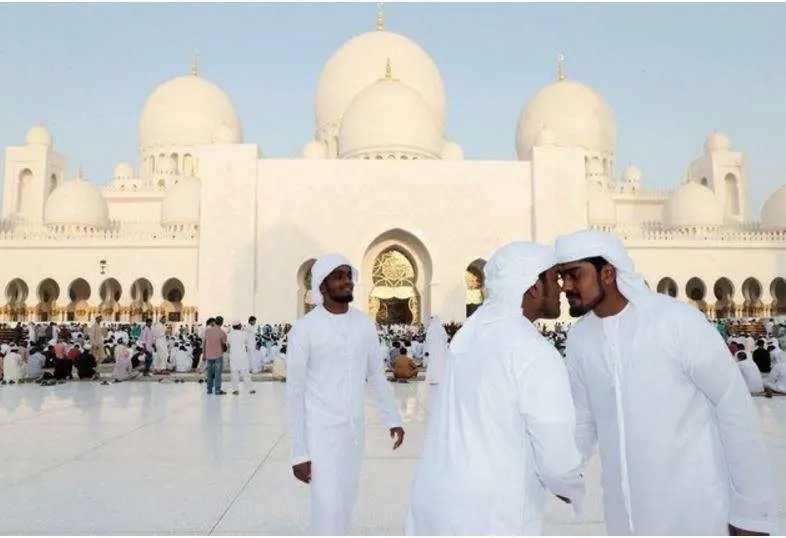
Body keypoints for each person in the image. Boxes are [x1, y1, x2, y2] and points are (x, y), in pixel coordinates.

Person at [555, 228, 777, 535]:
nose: (566, 286)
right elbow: (583, 420)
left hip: (694, 513)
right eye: (561, 277)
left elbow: (733, 408)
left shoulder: (674, 321)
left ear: (607, 272)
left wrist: (752, 513)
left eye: (574, 274)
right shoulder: (581, 339)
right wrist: (563, 471)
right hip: (625, 518)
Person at [406, 242, 584, 536]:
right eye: (555, 278)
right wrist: (576, 490)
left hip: (437, 503)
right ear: (534, 287)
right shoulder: (532, 350)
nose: (562, 287)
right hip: (490, 515)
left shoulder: (469, 334)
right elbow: (556, 461)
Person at [286, 253, 405, 535]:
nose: (346, 281)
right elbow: (294, 392)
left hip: (353, 433)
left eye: (348, 275)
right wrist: (299, 452)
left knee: (345, 503)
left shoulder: (363, 324)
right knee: (326, 506)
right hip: (320, 434)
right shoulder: (305, 329)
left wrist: (393, 418)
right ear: (322, 286)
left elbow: (375, 374)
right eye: (338, 276)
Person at [228, 320, 255, 395]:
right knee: (246, 374)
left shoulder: (229, 334)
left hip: (233, 356)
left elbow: (228, 345)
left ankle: (235, 390)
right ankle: (251, 389)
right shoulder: (244, 333)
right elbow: (248, 344)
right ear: (239, 326)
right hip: (242, 356)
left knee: (234, 374)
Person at [202, 317, 227, 395]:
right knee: (217, 373)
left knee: (209, 373)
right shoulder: (222, 332)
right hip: (218, 355)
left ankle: (209, 389)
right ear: (222, 323)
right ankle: (217, 390)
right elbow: (223, 344)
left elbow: (204, 344)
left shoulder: (208, 331)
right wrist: (224, 349)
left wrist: (204, 354)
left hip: (209, 355)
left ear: (215, 322)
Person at [424, 316, 448, 385]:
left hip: (433, 348)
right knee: (440, 361)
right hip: (440, 347)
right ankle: (440, 378)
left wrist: (431, 344)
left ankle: (433, 378)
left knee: (433, 361)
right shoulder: (441, 328)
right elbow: (445, 338)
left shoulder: (430, 328)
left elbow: (427, 339)